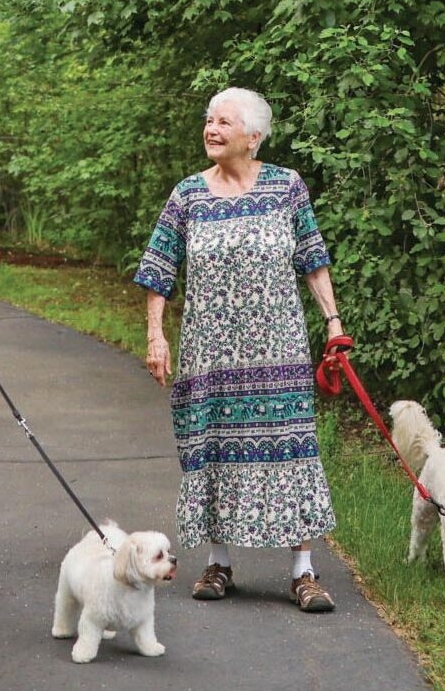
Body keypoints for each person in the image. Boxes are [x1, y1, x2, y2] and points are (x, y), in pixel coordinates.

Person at [134, 87, 344, 612]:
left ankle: (304, 571)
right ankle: (218, 563)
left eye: (223, 122)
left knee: (291, 448)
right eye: (208, 119)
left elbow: (313, 259)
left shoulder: (285, 187)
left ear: (252, 137)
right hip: (210, 352)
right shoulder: (188, 195)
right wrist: (157, 335)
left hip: (279, 347)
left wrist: (334, 324)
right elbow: (159, 271)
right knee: (211, 447)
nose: (211, 129)